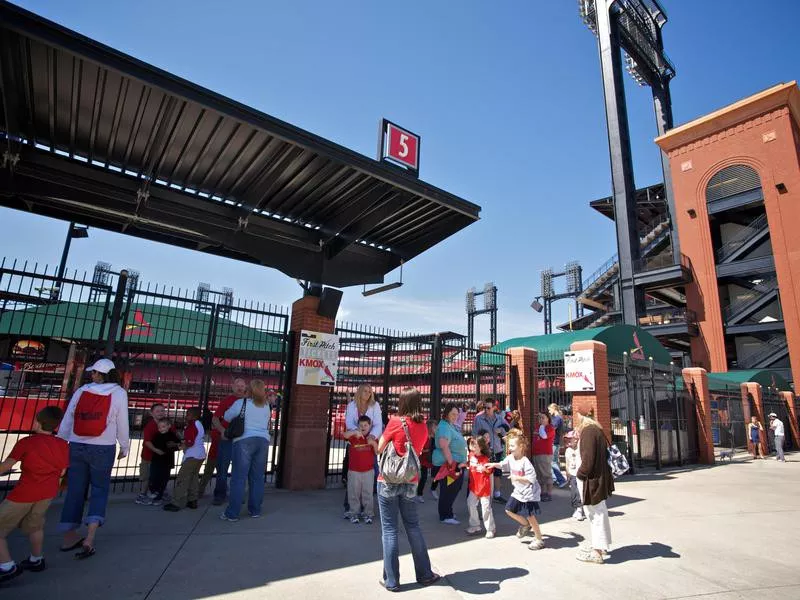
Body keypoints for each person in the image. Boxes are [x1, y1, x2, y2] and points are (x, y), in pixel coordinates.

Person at [58, 358, 130, 559]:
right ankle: (90, 537)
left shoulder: (82, 391)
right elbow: (122, 422)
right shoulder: (118, 393)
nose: (92, 374)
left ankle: (69, 536)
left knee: (75, 490)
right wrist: (124, 446)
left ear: (100, 374)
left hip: (78, 444)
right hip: (103, 446)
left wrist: (61, 440)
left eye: (95, 372)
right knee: (99, 490)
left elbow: (69, 417)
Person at [376, 387, 440, 592]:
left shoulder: (396, 422)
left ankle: (392, 580)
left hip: (388, 480)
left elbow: (380, 447)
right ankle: (425, 574)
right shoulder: (423, 426)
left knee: (389, 530)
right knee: (413, 526)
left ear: (402, 402)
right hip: (410, 480)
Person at [0, 406, 68, 581]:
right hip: (47, 492)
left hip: (25, 492)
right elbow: (62, 471)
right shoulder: (62, 444)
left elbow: (6, 466)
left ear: (38, 422)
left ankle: (7, 566)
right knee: (35, 525)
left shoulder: (27, 442)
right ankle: (36, 559)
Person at [221, 380, 274, 521]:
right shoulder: (266, 405)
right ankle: (255, 510)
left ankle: (232, 512)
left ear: (248, 390)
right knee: (257, 478)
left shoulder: (241, 403)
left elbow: (226, 416)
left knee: (239, 478)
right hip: (263, 440)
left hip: (244, 440)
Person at [485, 428, 545, 550]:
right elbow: (502, 464)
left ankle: (539, 539)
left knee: (530, 515)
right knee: (508, 509)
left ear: (521, 446)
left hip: (528, 493)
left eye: (512, 445)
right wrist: (493, 464)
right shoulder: (510, 457)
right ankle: (525, 525)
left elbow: (532, 478)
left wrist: (517, 477)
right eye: (509, 445)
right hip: (518, 491)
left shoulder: (525, 462)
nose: (510, 448)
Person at [574, 409, 614, 564]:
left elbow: (588, 460)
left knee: (595, 514)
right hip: (598, 478)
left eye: (577, 415)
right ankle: (601, 546)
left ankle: (597, 552)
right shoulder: (596, 429)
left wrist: (580, 474)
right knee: (599, 512)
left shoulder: (589, 432)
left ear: (582, 416)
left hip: (591, 481)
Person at [343, 384, 383, 518]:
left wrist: (372, 436)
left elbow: (378, 423)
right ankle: (351, 508)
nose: (368, 393)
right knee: (353, 477)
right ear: (359, 392)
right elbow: (349, 422)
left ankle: (368, 510)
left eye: (370, 391)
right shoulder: (351, 406)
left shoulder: (375, 405)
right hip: (356, 441)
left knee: (369, 476)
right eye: (365, 391)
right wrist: (357, 432)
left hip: (370, 443)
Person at [206, 378, 248, 506]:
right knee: (222, 470)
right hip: (227, 439)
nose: (240, 388)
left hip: (242, 440)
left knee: (239, 470)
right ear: (232, 387)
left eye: (242, 385)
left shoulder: (249, 401)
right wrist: (222, 431)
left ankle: (236, 495)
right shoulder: (227, 401)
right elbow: (215, 418)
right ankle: (220, 494)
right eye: (237, 385)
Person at [432, 403, 469, 525]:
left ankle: (448, 512)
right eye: (453, 414)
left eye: (457, 414)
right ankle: (445, 515)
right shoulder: (444, 427)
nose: (455, 416)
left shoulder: (450, 425)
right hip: (449, 465)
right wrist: (451, 464)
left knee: (454, 488)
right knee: (449, 490)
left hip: (455, 463)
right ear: (446, 413)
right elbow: (444, 445)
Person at [164, 407, 206, 511]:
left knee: (183, 478)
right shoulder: (199, 424)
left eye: (188, 414)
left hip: (192, 455)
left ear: (193, 416)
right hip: (200, 454)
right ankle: (192, 500)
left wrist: (176, 446)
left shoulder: (192, 425)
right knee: (193, 477)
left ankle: (177, 502)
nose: (186, 416)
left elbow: (190, 442)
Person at [472, 398, 509, 503]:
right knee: (482, 472)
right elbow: (474, 434)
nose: (486, 410)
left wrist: (500, 433)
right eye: (484, 408)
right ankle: (480, 494)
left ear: (494, 408)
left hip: (496, 449)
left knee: (497, 473)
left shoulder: (500, 418)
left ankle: (497, 494)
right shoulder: (478, 418)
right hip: (484, 450)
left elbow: (507, 431)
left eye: (488, 408)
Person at [343, 415, 378, 524]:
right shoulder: (354, 437)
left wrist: (374, 444)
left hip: (368, 471)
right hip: (354, 471)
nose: (363, 427)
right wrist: (354, 432)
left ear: (370, 426)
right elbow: (344, 435)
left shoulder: (372, 438)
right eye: (361, 425)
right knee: (354, 493)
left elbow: (377, 452)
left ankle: (368, 513)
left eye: (365, 425)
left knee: (367, 493)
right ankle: (354, 513)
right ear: (358, 426)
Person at [135, 403, 168, 505]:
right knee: (147, 476)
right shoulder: (150, 425)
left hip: (161, 457)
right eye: (157, 411)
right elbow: (147, 441)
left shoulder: (167, 424)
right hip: (149, 456)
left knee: (159, 475)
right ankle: (142, 495)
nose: (160, 413)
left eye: (162, 411)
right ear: (151, 413)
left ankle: (158, 493)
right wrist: (156, 450)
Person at [465, 436, 496, 538]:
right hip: (474, 487)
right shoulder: (471, 455)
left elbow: (490, 471)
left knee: (486, 508)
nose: (472, 446)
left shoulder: (485, 458)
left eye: (474, 444)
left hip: (484, 487)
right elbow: (469, 464)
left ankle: (490, 529)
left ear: (481, 447)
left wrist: (484, 468)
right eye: (471, 444)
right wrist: (464, 465)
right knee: (470, 504)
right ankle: (475, 525)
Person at [146, 419, 181, 506]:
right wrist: (157, 450)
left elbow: (178, 445)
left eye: (163, 426)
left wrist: (174, 446)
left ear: (169, 426)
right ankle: (154, 492)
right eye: (159, 427)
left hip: (167, 461)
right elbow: (153, 445)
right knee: (153, 477)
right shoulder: (156, 435)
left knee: (163, 479)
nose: (161, 429)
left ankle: (159, 497)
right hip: (156, 460)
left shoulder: (172, 435)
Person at [532, 413, 556, 501]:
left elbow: (544, 436)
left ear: (548, 419)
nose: (541, 419)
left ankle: (549, 494)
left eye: (543, 418)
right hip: (536, 454)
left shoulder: (550, 428)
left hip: (545, 454)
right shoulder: (537, 427)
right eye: (539, 418)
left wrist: (542, 426)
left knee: (546, 474)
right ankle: (542, 492)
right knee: (539, 475)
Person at [564, 431, 585, 521]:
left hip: (579, 474)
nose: (568, 441)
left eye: (570, 439)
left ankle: (580, 510)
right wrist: (567, 473)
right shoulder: (568, 450)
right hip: (572, 474)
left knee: (579, 492)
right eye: (567, 439)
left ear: (576, 440)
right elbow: (567, 462)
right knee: (573, 492)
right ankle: (576, 509)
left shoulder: (580, 449)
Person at [415, 420, 436, 504]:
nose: (436, 428)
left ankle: (433, 489)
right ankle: (419, 494)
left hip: (431, 459)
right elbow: (420, 449)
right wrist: (427, 450)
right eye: (435, 427)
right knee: (424, 477)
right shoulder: (425, 436)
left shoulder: (434, 437)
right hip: (424, 459)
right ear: (430, 428)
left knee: (437, 475)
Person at [548, 403, 567, 488]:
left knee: (553, 462)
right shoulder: (556, 418)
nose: (549, 411)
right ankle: (555, 479)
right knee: (554, 461)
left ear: (554, 409)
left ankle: (561, 480)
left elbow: (552, 428)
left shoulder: (557, 418)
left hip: (554, 442)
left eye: (549, 410)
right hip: (555, 442)